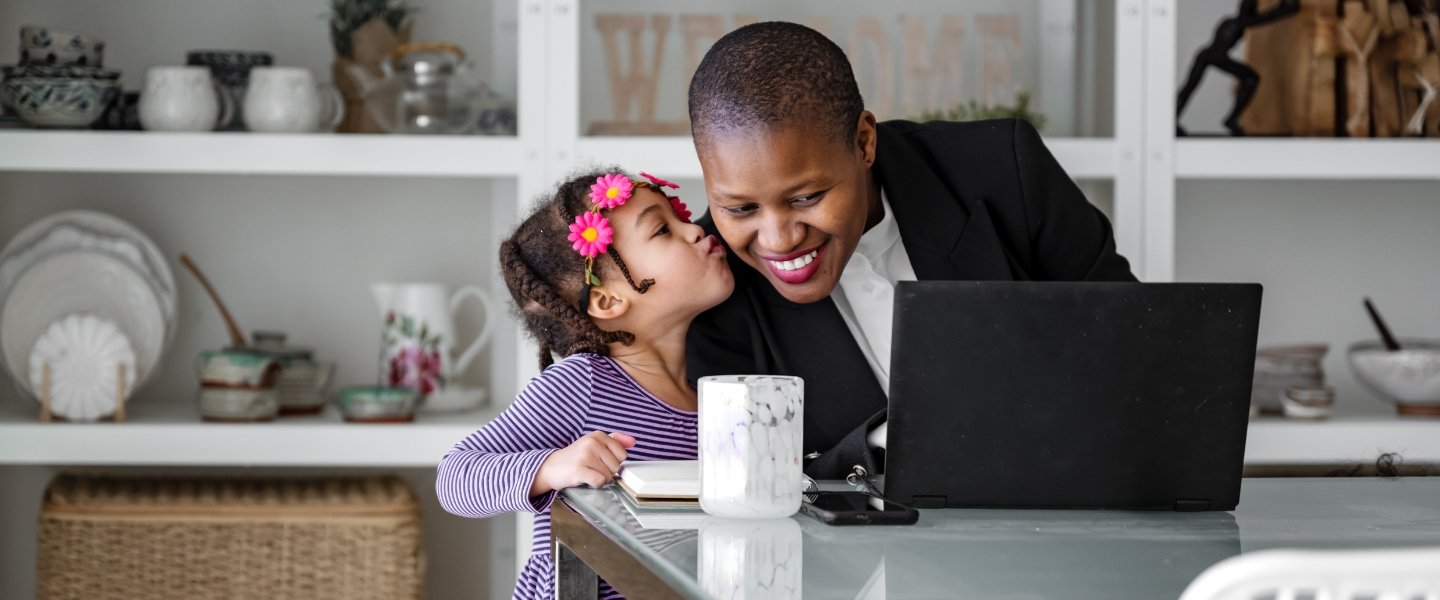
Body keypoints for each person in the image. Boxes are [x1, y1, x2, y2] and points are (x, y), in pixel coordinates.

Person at [684, 22, 1137, 481]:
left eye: (806, 198)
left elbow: (1135, 349)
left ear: (864, 142)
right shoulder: (711, 287)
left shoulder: (1003, 169)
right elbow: (752, 474)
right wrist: (897, 437)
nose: (778, 240)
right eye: (739, 208)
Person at [437, 169, 731, 600]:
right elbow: (455, 478)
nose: (695, 228)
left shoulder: (716, 393)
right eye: (663, 230)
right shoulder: (583, 384)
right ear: (608, 300)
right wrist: (552, 466)